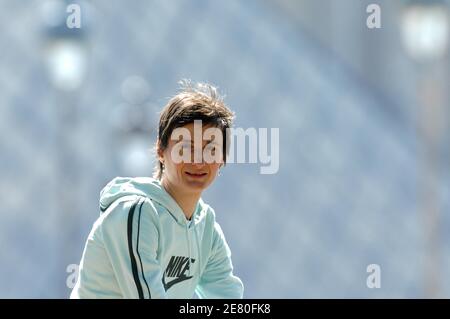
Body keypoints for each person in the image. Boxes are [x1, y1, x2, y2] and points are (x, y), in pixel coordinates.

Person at [70, 80, 244, 299]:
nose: (199, 160)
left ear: (222, 159)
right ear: (161, 151)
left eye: (210, 149)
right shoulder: (135, 212)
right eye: (186, 148)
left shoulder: (206, 226)